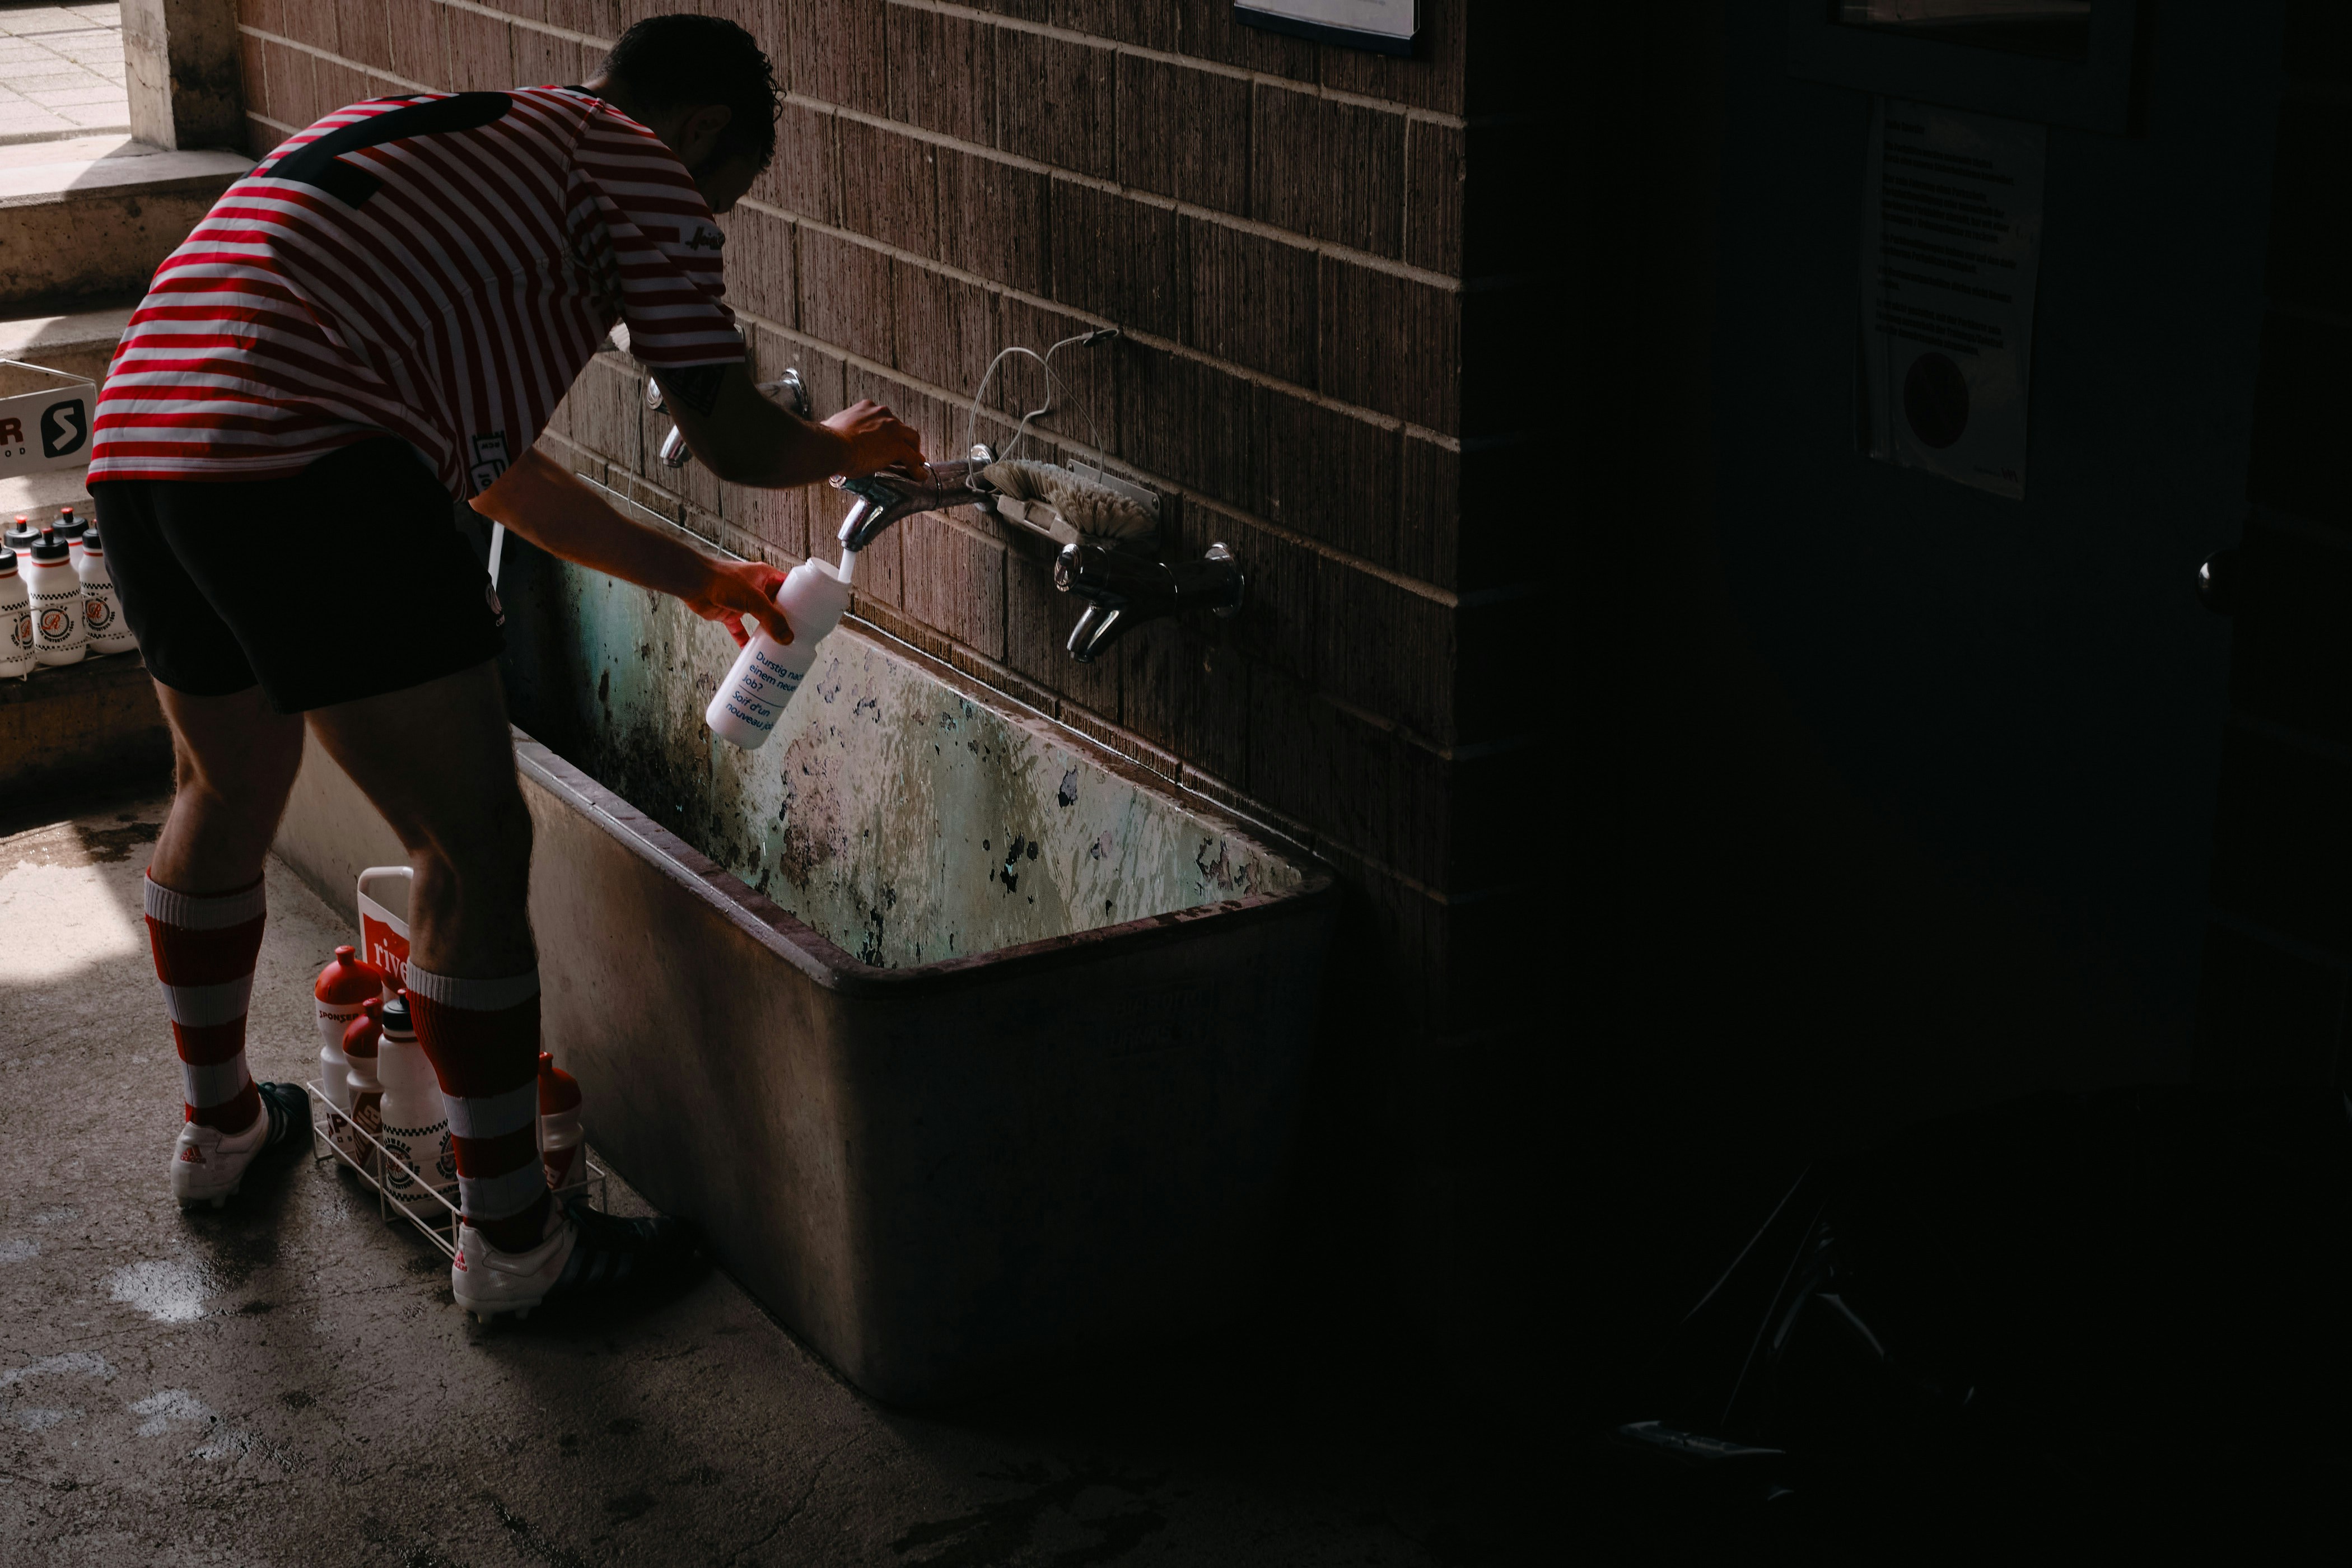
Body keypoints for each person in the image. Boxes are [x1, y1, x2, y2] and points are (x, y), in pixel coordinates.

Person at [86, 15, 920, 1320]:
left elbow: (494, 474)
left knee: (220, 788)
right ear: (702, 132)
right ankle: (520, 1248)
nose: (710, 222)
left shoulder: (468, 149)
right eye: (730, 194)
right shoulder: (639, 163)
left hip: (148, 439)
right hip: (309, 462)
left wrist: (697, 578)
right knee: (471, 847)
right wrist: (843, 446)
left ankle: (222, 1130)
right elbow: (733, 431)